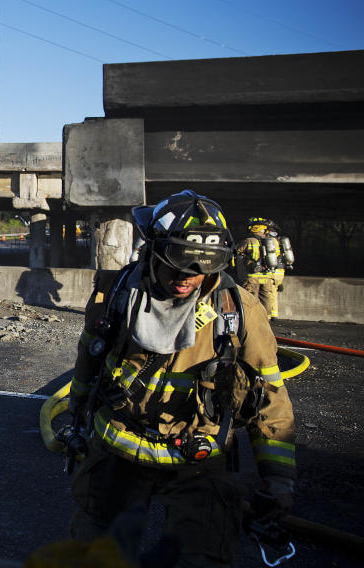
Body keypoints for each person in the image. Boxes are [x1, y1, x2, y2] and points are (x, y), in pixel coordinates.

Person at [65, 190, 295, 568]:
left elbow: (271, 397)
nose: (188, 277)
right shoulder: (118, 295)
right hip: (117, 454)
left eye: (204, 265)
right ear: (152, 249)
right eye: (177, 260)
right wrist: (75, 415)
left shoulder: (240, 310)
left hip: (198, 463)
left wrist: (279, 480)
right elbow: (89, 358)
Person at [236, 217, 295, 321]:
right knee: (266, 298)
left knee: (250, 296)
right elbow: (278, 257)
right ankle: (265, 319)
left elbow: (236, 252)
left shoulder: (249, 241)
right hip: (267, 275)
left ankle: (250, 319)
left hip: (252, 276)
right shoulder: (273, 242)